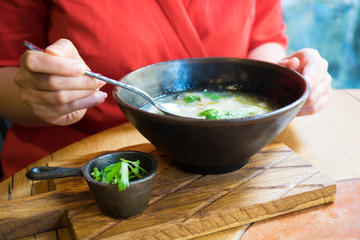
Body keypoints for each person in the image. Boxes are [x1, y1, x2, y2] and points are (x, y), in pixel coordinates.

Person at [0, 0, 332, 181]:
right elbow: (6, 70)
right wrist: (46, 93)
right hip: (77, 161)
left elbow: (263, 41)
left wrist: (289, 75)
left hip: (237, 155)